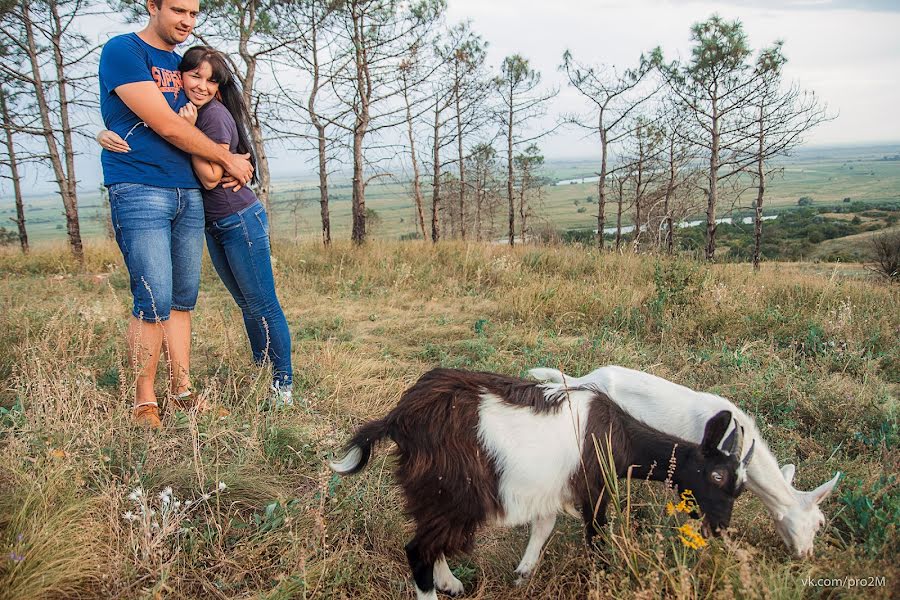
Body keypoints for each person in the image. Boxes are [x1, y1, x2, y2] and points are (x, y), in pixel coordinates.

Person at [99, 46, 294, 410]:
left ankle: (282, 383)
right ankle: (261, 373)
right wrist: (103, 131)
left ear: (219, 88)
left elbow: (208, 178)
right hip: (216, 222)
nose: (201, 85)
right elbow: (145, 119)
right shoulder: (186, 108)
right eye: (195, 76)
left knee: (261, 303)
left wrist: (189, 134)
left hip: (237, 218)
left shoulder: (214, 116)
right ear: (181, 77)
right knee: (247, 303)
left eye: (210, 80)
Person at [98, 0, 254, 428]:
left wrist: (240, 157)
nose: (187, 21)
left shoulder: (184, 62)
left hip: (188, 191)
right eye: (178, 10)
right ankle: (143, 401)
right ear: (153, 6)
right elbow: (166, 125)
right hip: (140, 186)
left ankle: (182, 392)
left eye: (194, 14)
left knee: (183, 300)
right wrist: (230, 161)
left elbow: (214, 107)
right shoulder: (124, 50)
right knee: (152, 297)